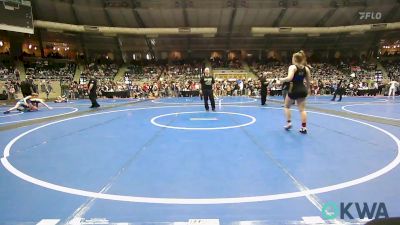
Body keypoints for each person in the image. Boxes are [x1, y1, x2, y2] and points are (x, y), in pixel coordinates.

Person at [279, 50, 311, 134]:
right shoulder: (306, 68)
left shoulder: (292, 67)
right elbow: (308, 82)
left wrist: (282, 80)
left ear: (294, 59)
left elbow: (289, 78)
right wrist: (307, 90)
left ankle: (289, 123)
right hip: (302, 89)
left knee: (286, 106)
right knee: (302, 110)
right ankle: (304, 128)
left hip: (293, 89)